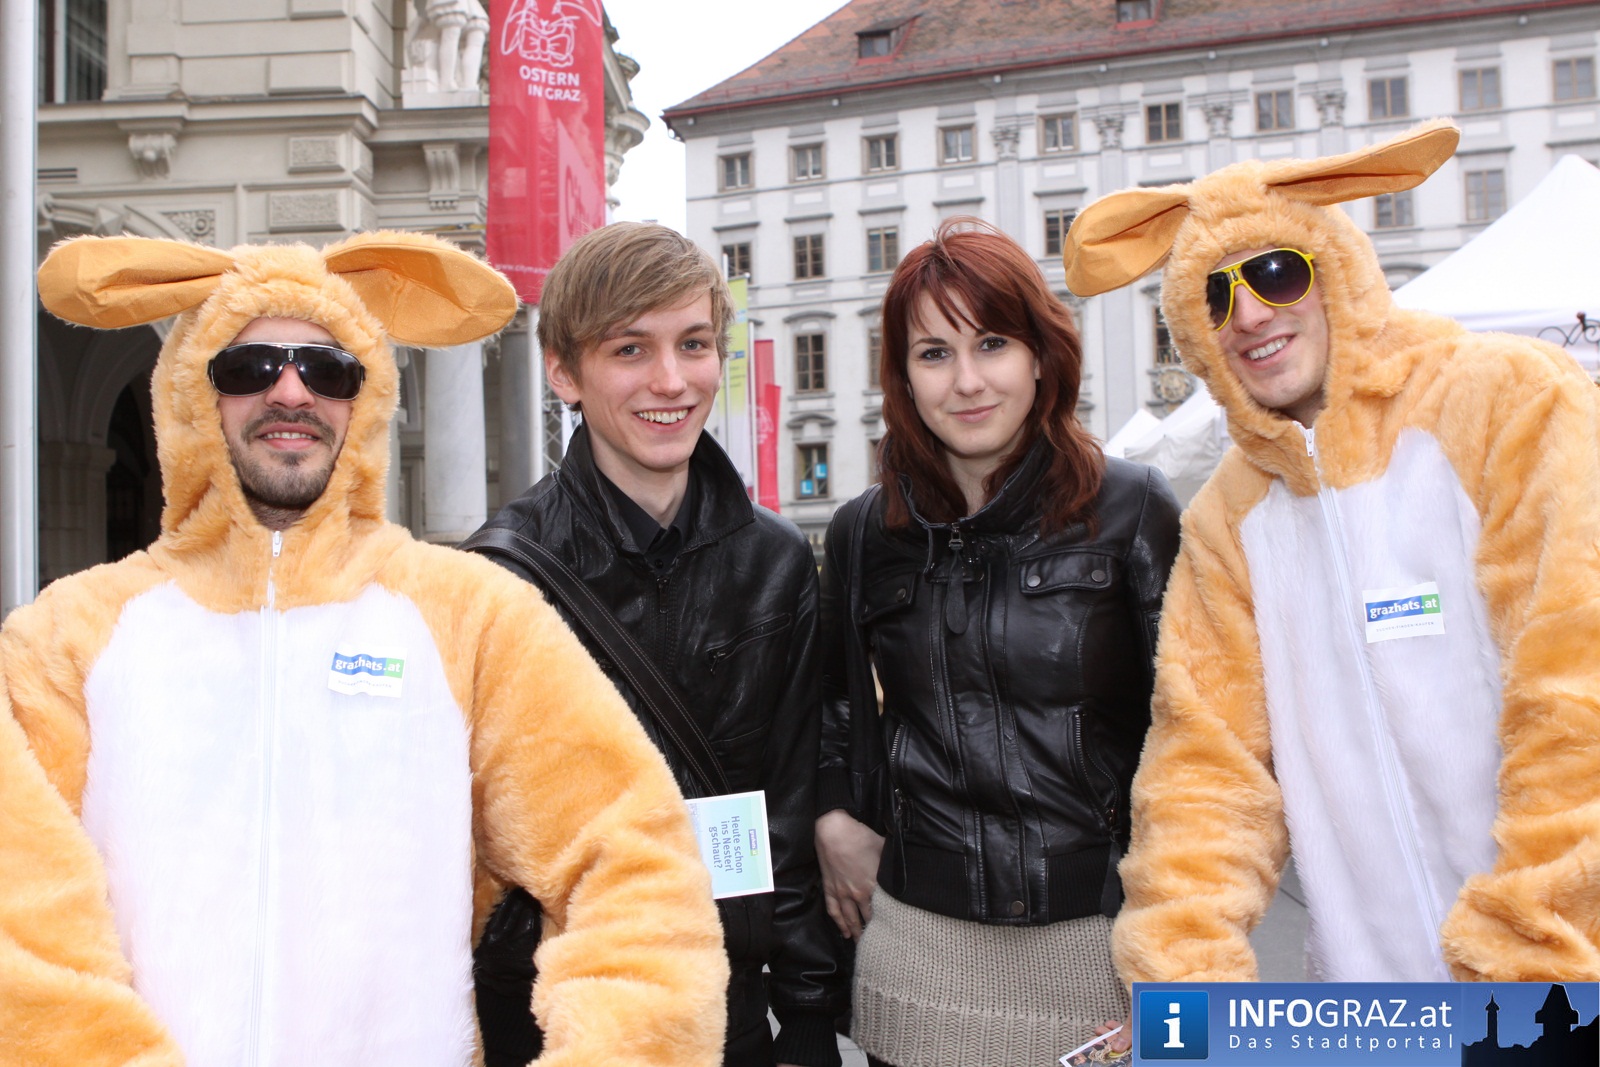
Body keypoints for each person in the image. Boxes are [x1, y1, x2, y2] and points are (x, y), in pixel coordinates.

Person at [1, 232, 728, 1066]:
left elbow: (636, 865)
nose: (290, 390)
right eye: (249, 366)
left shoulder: (473, 616)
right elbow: (20, 929)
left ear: (366, 393)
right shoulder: (64, 638)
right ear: (195, 392)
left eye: (327, 369)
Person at [1062, 119, 1600, 983]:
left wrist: (1533, 948)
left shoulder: (1510, 402)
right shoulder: (1227, 518)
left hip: (1559, 984)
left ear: (1335, 268)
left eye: (1277, 271)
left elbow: (1576, 693)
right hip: (1366, 1010)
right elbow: (1206, 771)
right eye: (1215, 295)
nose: (1250, 315)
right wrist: (1184, 981)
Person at [469, 222, 848, 1067]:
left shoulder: (776, 560)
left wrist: (808, 1013)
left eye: (694, 343)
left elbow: (784, 812)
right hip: (556, 1013)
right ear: (564, 372)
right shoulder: (499, 572)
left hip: (727, 1006)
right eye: (630, 349)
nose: (671, 380)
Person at [814, 219, 1181, 1067]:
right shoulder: (865, 533)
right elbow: (834, 702)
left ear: (1041, 355)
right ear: (903, 376)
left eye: (992, 343)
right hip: (915, 960)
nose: (967, 381)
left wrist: (1178, 955)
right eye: (933, 353)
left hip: (1104, 952)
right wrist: (833, 812)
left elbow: (1194, 737)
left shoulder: (1132, 509)